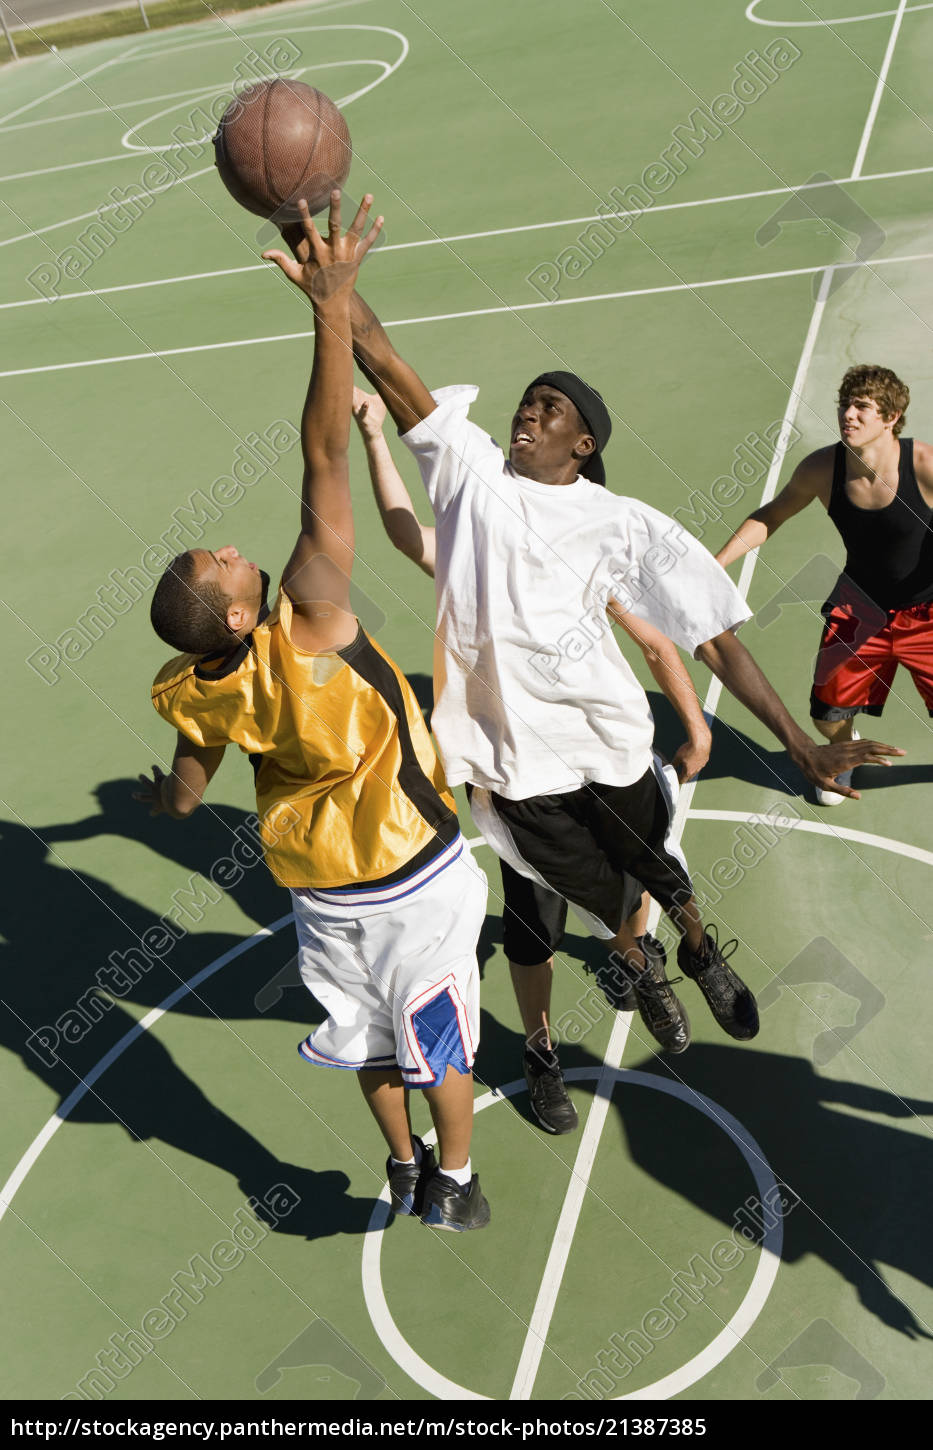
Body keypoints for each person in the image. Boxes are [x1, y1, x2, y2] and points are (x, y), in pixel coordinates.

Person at [335, 293, 902, 1062]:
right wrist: (334, 291)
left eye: (550, 407)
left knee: (657, 870)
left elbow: (711, 638)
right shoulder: (470, 476)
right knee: (605, 902)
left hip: (604, 742)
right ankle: (646, 968)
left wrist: (797, 745)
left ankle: (699, 949)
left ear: (583, 442)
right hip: (514, 769)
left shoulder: (621, 522)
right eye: (527, 401)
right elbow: (385, 359)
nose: (527, 413)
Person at [136, 195, 491, 1232]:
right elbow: (326, 455)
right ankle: (458, 1183)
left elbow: (194, 790)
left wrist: (168, 797)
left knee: (369, 1043)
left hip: (324, 897)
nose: (232, 547)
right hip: (413, 871)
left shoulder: (200, 683)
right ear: (239, 608)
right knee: (440, 1044)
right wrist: (332, 309)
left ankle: (405, 1165)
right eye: (223, 561)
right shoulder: (317, 616)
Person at [351, 387, 713, 1133]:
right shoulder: (480, 554)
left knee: (628, 878)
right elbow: (404, 537)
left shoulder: (586, 559)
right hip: (517, 776)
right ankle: (541, 1053)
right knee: (528, 932)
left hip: (589, 762)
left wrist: (695, 725)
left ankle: (641, 968)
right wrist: (376, 439)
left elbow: (654, 641)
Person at [716, 363, 928, 804]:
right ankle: (841, 753)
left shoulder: (924, 466)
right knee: (828, 710)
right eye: (845, 404)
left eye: (862, 407)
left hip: (927, 610)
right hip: (859, 608)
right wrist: (717, 563)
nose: (848, 414)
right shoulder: (822, 468)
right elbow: (770, 516)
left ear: (890, 417)